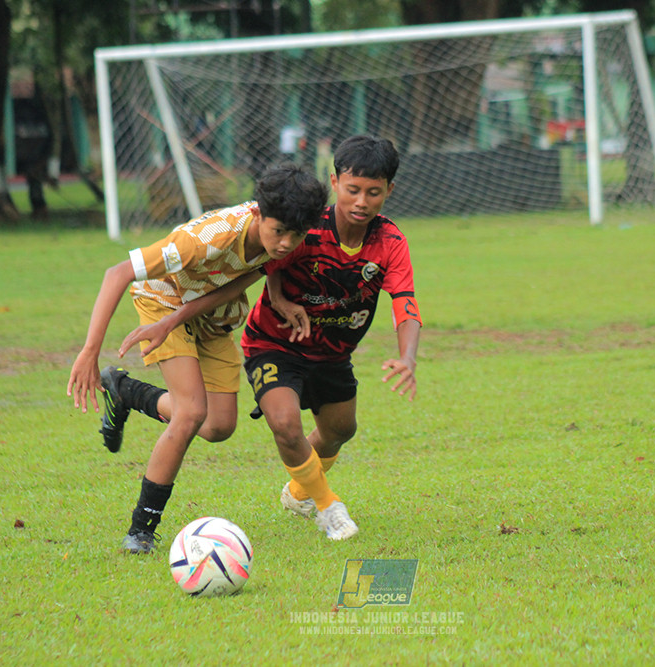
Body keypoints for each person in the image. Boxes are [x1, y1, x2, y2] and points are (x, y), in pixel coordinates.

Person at [67, 163, 328, 554]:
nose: (287, 243)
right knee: (190, 413)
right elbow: (117, 273)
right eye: (279, 232)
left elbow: (257, 269)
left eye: (296, 235)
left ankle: (124, 391)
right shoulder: (207, 239)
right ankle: (141, 530)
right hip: (163, 300)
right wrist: (89, 351)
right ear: (258, 214)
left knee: (218, 425)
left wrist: (275, 295)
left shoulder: (286, 235)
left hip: (204, 314)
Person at [241, 135, 422, 541]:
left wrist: (407, 358)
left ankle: (298, 491)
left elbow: (406, 303)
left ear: (389, 191)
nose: (361, 201)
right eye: (353, 189)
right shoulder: (307, 228)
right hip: (276, 341)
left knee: (341, 429)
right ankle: (328, 508)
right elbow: (271, 260)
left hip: (333, 352)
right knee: (286, 424)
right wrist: (279, 299)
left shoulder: (389, 242)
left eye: (373, 193)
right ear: (335, 181)